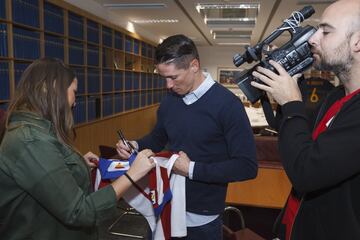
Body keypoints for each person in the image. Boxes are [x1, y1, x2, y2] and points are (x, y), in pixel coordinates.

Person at [116, 34, 257, 239]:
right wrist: (135, 144)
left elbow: (247, 166)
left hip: (201, 217)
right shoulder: (170, 100)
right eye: (164, 78)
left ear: (194, 65)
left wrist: (190, 169)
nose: (168, 86)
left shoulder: (228, 105)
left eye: (173, 77)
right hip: (163, 205)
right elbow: (158, 138)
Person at [0, 57, 155, 240]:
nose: (75, 103)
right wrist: (132, 175)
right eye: (74, 92)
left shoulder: (35, 131)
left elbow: (43, 178)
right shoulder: (31, 141)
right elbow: (80, 212)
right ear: (54, 88)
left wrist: (74, 164)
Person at [251, 0, 360, 239]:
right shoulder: (335, 97)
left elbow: (306, 172)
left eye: (326, 31)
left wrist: (291, 102)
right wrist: (288, 90)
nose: (312, 38)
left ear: (357, 42)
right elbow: (297, 138)